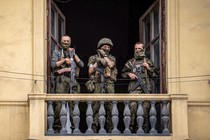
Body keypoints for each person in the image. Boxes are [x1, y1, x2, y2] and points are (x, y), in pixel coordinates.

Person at [121, 42, 159, 133]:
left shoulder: (148, 61)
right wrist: (129, 74)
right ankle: (129, 131)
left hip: (145, 90)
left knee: (145, 110)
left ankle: (142, 131)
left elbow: (155, 76)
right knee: (132, 108)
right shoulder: (130, 62)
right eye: (136, 49)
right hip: (133, 90)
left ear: (143, 49)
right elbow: (123, 73)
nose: (137, 50)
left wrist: (148, 68)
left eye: (139, 49)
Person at [51, 35, 84, 132]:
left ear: (70, 42)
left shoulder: (73, 53)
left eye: (67, 41)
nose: (66, 42)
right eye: (64, 41)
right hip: (62, 79)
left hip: (73, 80)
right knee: (59, 104)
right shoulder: (57, 52)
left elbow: (81, 64)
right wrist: (65, 60)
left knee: (74, 104)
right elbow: (53, 65)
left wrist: (74, 55)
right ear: (61, 42)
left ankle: (75, 128)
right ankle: (57, 128)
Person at [86, 38, 118, 133]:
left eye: (109, 46)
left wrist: (104, 56)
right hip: (97, 83)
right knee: (95, 106)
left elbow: (111, 65)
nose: (107, 47)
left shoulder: (111, 58)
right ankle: (93, 128)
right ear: (100, 47)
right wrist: (98, 61)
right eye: (105, 46)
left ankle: (111, 128)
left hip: (108, 84)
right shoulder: (93, 58)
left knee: (111, 107)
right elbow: (90, 71)